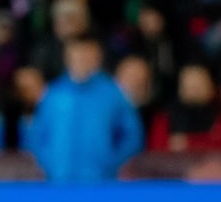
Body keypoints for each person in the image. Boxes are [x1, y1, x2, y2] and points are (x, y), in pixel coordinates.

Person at [27, 36, 143, 182]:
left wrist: (111, 162)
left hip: (100, 181)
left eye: (86, 54)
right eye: (76, 54)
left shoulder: (112, 93)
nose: (81, 59)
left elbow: (132, 135)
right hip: (59, 180)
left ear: (97, 57)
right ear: (67, 57)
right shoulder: (54, 93)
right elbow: (36, 133)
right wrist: (50, 163)